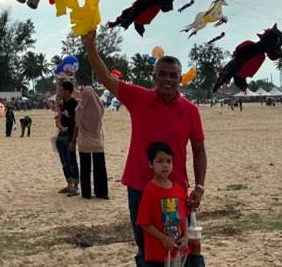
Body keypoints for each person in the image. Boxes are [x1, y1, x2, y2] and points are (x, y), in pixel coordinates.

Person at [82, 30, 207, 267]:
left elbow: (199, 150)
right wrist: (90, 46)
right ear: (154, 77)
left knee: (181, 245)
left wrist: (199, 187)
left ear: (180, 79)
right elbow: (107, 78)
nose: (167, 80)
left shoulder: (190, 110)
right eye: (162, 74)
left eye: (173, 75)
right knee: (145, 247)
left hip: (176, 189)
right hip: (140, 187)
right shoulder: (139, 98)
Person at [136, 142, 188, 267]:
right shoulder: (149, 191)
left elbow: (184, 216)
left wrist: (186, 237)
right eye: (160, 161)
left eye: (168, 161)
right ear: (150, 164)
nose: (165, 165)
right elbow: (144, 223)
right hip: (158, 254)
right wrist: (163, 238)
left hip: (179, 252)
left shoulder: (179, 189)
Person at [77, 85, 109, 200]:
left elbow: (77, 123)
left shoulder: (79, 108)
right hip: (97, 141)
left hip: (84, 141)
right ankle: (101, 192)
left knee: (85, 168)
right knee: (100, 168)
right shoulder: (99, 107)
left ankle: (86, 193)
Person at [55, 80, 80, 196]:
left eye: (61, 89)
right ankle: (69, 184)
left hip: (70, 135)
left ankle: (75, 186)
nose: (59, 91)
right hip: (61, 134)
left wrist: (74, 140)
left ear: (67, 91)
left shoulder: (74, 104)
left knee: (71, 161)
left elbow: (77, 123)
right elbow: (59, 118)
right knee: (64, 161)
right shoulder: (63, 103)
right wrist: (60, 125)